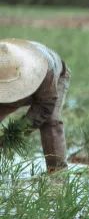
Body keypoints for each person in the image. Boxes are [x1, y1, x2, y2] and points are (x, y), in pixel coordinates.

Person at [0, 39, 70, 171]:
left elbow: (45, 106)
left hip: (49, 84)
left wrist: (16, 132)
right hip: (17, 78)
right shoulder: (3, 60)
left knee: (51, 122)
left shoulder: (44, 68)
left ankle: (57, 172)